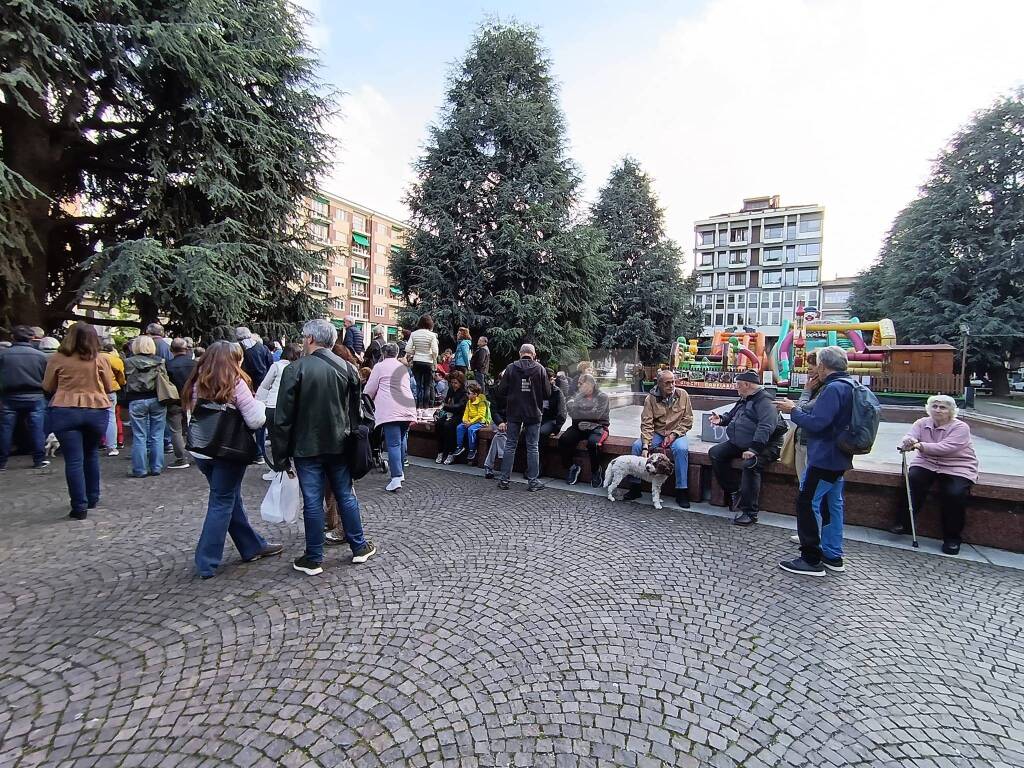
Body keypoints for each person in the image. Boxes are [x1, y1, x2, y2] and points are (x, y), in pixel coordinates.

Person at [270, 318, 376, 576]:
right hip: (339, 444)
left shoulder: (295, 369)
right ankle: (359, 546)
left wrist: (280, 457)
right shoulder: (349, 369)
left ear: (310, 339)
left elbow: (282, 418)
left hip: (306, 447)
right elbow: (355, 413)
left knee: (313, 501)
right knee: (345, 495)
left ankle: (314, 557)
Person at [183, 341, 282, 578]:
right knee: (223, 501)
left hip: (202, 451)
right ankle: (206, 560)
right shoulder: (234, 383)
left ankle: (252, 546)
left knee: (228, 498)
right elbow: (256, 420)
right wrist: (259, 403)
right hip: (228, 452)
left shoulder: (197, 382)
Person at [775, 345, 855, 577]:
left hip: (824, 456)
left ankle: (811, 559)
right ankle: (832, 555)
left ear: (822, 365)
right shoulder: (851, 385)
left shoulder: (832, 389)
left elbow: (816, 423)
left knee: (807, 502)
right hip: (840, 456)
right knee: (833, 505)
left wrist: (793, 410)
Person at [41, 323, 115, 518]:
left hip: (65, 409)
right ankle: (92, 497)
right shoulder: (100, 359)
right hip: (96, 409)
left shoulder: (57, 358)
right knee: (91, 454)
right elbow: (109, 386)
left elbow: (48, 386)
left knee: (73, 460)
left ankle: (79, 506)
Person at [893, 394, 978, 555]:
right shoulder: (922, 422)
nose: (938, 410)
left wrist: (919, 445)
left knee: (954, 493)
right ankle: (903, 523)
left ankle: (952, 538)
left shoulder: (960, 427)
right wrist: (908, 440)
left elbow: (945, 447)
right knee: (913, 480)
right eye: (934, 406)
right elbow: (911, 435)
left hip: (957, 465)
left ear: (951, 411)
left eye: (943, 407)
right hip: (927, 462)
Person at [709, 370, 786, 526]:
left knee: (751, 465)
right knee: (716, 453)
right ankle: (734, 492)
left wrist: (753, 450)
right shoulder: (744, 398)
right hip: (741, 442)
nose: (736, 388)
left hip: (765, 446)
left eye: (738, 385)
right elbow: (731, 416)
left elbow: (766, 427)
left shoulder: (764, 401)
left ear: (746, 384)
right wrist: (721, 419)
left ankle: (750, 512)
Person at [628, 369, 693, 508]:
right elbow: (646, 423)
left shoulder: (683, 395)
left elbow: (688, 420)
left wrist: (674, 434)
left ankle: (682, 491)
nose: (671, 385)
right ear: (659, 384)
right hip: (657, 432)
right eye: (667, 383)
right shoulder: (650, 398)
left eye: (673, 382)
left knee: (681, 449)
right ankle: (635, 487)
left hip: (677, 432)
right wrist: (646, 445)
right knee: (637, 446)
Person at [496, 344, 550, 492]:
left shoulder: (511, 368)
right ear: (533, 354)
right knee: (533, 447)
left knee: (510, 445)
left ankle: (504, 480)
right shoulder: (540, 369)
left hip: (514, 411)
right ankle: (533, 482)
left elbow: (501, 391)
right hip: (533, 412)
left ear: (520, 353)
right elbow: (547, 393)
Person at [364, 342, 416, 491]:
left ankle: (396, 478)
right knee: (400, 440)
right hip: (406, 407)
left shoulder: (379, 367)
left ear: (383, 353)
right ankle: (400, 472)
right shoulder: (403, 368)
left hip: (391, 410)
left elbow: (369, 389)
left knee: (393, 444)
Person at [0, 324, 51, 470]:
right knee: (37, 428)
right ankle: (39, 459)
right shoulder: (41, 356)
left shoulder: (3, 355)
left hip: (9, 396)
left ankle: (2, 462)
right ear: (32, 338)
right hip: (35, 396)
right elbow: (46, 378)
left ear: (12, 337)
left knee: (5, 429)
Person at [123, 335, 169, 477]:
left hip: (136, 400)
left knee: (139, 435)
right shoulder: (159, 361)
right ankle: (156, 467)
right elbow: (165, 379)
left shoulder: (128, 362)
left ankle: (140, 469)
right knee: (157, 434)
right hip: (156, 399)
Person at [256, 342, 301, 478]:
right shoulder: (299, 367)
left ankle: (278, 470)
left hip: (274, 406)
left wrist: (260, 402)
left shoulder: (277, 366)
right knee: (290, 439)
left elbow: (264, 386)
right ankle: (291, 469)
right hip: (292, 407)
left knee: (277, 441)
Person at [558, 373, 610, 488]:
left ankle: (596, 471)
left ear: (590, 384)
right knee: (563, 440)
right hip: (579, 426)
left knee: (593, 444)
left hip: (598, 427)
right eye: (578, 383)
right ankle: (572, 467)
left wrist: (579, 412)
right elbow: (571, 413)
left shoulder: (602, 396)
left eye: (581, 383)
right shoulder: (578, 396)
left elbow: (596, 415)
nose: (578, 385)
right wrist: (582, 414)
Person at [236, 327, 273, 464]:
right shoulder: (262, 349)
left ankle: (248, 451)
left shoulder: (239, 350)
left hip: (246, 388)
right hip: (262, 389)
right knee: (260, 422)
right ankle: (259, 453)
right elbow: (270, 366)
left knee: (242, 420)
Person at [163, 338, 195, 470]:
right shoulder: (195, 364)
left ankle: (181, 459)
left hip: (174, 401)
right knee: (194, 426)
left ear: (171, 350)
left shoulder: (167, 365)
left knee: (176, 430)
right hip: (193, 399)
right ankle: (198, 453)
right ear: (186, 349)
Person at [435, 371, 468, 465]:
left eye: (456, 383)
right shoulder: (450, 389)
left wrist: (444, 406)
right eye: (452, 382)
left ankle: (451, 453)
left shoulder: (464, 393)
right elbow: (446, 400)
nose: (454, 385)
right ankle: (440, 451)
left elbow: (460, 406)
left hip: (460, 415)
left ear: (461, 383)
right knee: (439, 424)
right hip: (449, 413)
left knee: (449, 426)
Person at [408, 314, 439, 414]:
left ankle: (417, 408)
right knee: (427, 386)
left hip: (417, 361)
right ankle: (425, 409)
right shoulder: (432, 335)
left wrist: (416, 352)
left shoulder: (414, 334)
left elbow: (408, 349)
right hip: (428, 362)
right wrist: (434, 361)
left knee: (417, 385)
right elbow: (435, 351)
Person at [101, 342, 127, 456]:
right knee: (111, 417)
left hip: (93, 391)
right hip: (110, 390)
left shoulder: (89, 358)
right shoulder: (115, 360)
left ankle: (97, 442)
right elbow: (121, 378)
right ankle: (111, 447)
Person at [451, 381, 488, 462]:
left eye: (469, 393)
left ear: (475, 394)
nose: (467, 395)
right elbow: (466, 413)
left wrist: (470, 423)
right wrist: (465, 421)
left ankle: (472, 450)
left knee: (471, 430)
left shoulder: (481, 402)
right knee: (459, 427)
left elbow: (480, 416)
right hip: (469, 421)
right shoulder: (468, 402)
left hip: (480, 422)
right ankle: (459, 447)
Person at [539, 367, 567, 462]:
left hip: (551, 420)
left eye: (552, 379)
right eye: (550, 379)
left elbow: (562, 412)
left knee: (541, 433)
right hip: (538, 419)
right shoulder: (537, 390)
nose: (552, 381)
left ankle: (541, 462)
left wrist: (556, 429)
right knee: (527, 433)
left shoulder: (557, 392)